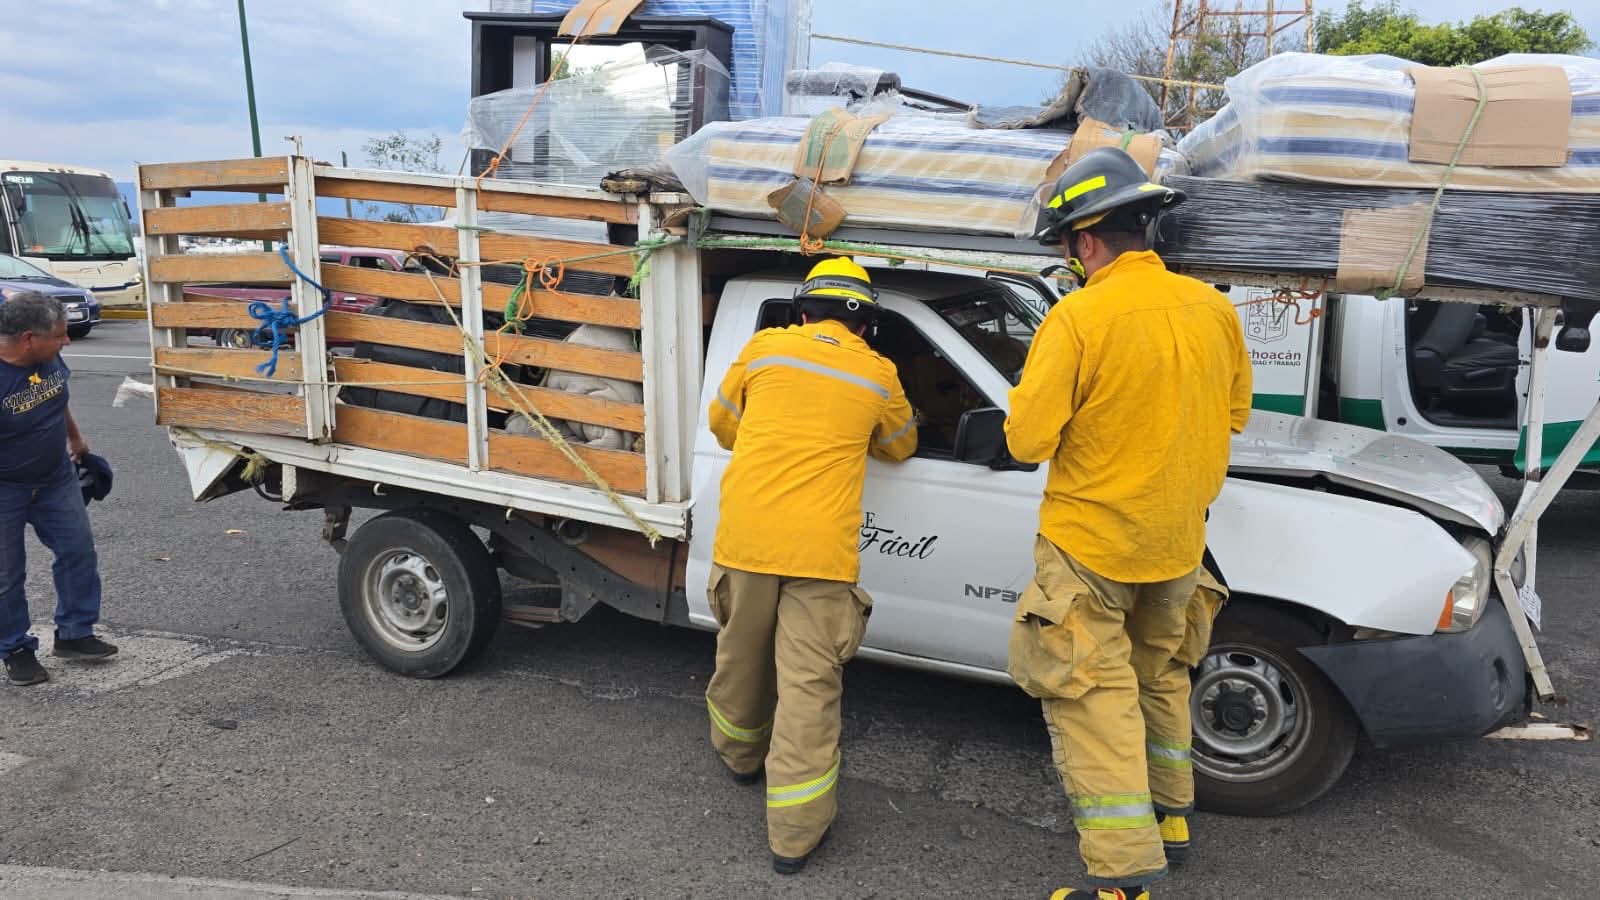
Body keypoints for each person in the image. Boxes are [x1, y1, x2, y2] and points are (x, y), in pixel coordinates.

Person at [1003, 148, 1251, 900]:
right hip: (1178, 544)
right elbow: (1234, 414)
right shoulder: (1213, 308)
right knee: (1161, 677)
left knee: (1092, 701)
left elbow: (1025, 441)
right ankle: (1171, 818)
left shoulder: (1078, 317)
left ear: (1083, 242)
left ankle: (1122, 880)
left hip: (1092, 550)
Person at [703, 257, 917, 875]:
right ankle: (793, 836)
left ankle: (739, 758)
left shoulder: (765, 348)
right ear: (866, 326)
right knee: (808, 687)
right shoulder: (880, 373)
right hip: (821, 553)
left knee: (740, 657)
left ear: (802, 310)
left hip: (747, 536)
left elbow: (723, 425)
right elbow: (901, 444)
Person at [1, 291, 118, 686]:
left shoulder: (47, 358)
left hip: (55, 478)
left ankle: (75, 632)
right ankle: (15, 648)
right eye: (61, 335)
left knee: (77, 551)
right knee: (6, 575)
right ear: (29, 338)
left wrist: (77, 442)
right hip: (6, 488)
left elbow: (56, 399)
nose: (67, 341)